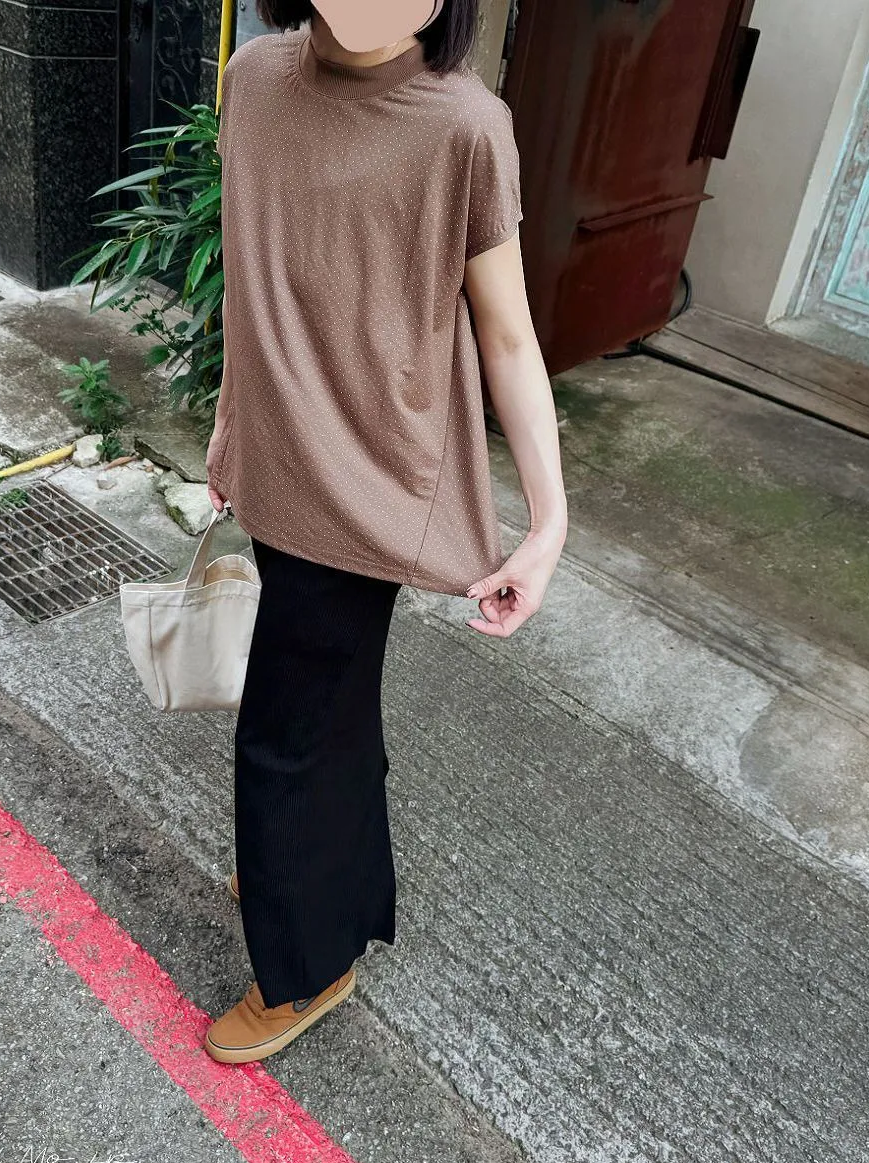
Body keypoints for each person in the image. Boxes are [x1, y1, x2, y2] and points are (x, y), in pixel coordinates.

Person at [203, 0, 568, 1065]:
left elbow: (506, 336)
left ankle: (306, 965)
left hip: (371, 487)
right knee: (330, 711)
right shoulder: (255, 80)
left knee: (284, 735)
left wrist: (547, 523)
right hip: (277, 465)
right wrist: (230, 427)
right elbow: (253, 280)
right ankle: (328, 883)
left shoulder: (465, 126)